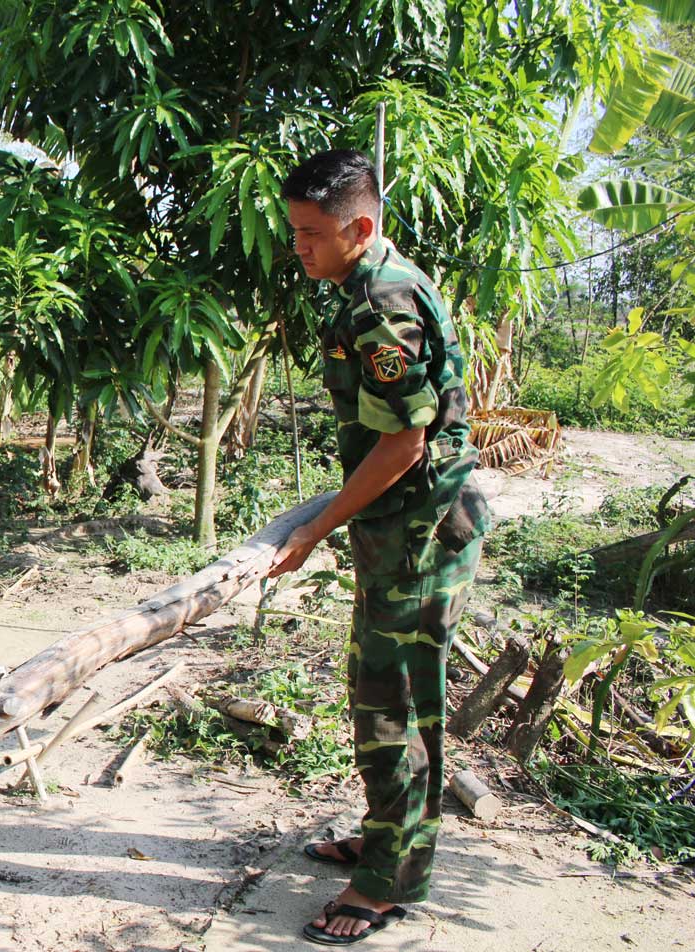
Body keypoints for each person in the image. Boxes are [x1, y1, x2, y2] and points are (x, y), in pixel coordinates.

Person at [268, 150, 491, 946]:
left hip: (421, 534)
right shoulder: (364, 282)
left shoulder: (382, 300)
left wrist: (313, 528)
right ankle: (386, 835)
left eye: (312, 234)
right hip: (396, 527)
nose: (299, 248)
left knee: (396, 701)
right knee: (378, 687)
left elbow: (403, 442)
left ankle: (389, 878)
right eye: (292, 232)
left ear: (359, 227)